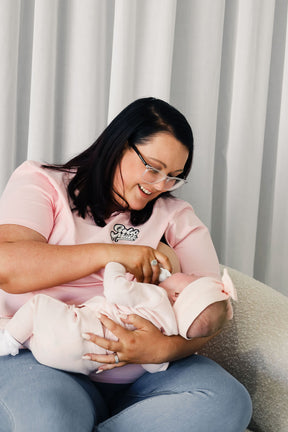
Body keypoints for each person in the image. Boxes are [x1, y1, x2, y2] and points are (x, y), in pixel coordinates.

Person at [0, 97, 252, 431]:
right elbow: (9, 267)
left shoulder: (176, 218)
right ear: (120, 145)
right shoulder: (43, 183)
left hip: (144, 378)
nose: (160, 185)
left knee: (228, 401)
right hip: (43, 359)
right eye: (153, 167)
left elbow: (210, 311)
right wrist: (112, 253)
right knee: (51, 420)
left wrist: (162, 349)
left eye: (174, 176)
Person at [0, 256, 237, 375]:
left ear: (176, 295)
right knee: (41, 335)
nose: (189, 271)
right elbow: (155, 366)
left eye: (192, 276)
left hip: (73, 331)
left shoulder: (156, 296)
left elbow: (115, 289)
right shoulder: (169, 331)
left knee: (38, 307)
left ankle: (7, 342)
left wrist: (117, 263)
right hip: (84, 363)